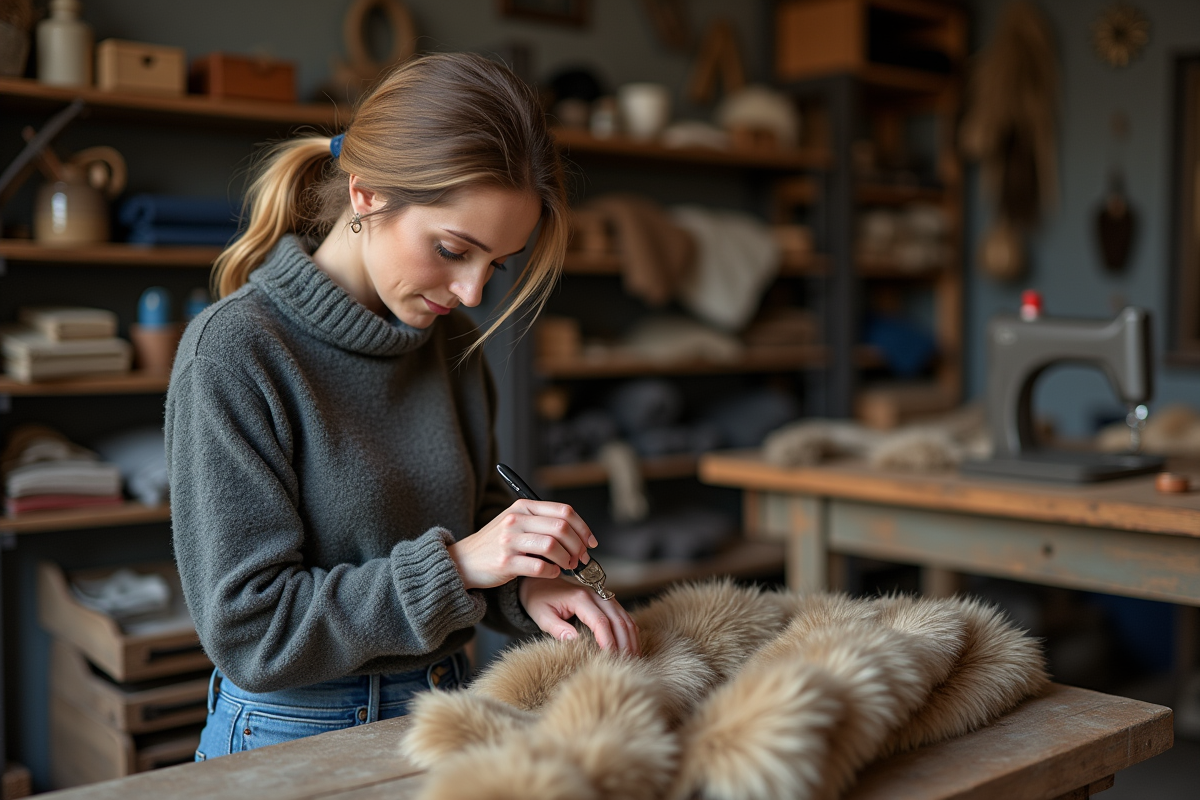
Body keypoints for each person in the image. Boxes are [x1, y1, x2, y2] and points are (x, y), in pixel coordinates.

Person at [165, 52, 640, 761]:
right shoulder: (234, 353)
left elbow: (474, 521)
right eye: (452, 249)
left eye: (497, 264)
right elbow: (251, 633)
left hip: (449, 708)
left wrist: (527, 591)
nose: (474, 292)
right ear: (366, 195)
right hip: (291, 738)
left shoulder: (453, 344)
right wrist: (460, 567)